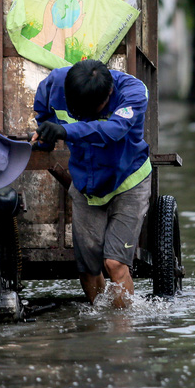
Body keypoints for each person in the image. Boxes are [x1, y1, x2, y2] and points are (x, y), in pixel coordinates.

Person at [31, 59, 151, 308]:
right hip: (86, 185)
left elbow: (113, 131)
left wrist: (65, 132)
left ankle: (122, 336)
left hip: (128, 181)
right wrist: (45, 136)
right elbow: (43, 111)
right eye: (78, 111)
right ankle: (100, 332)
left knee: (114, 263)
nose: (83, 117)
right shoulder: (55, 83)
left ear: (109, 94)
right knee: (88, 269)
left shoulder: (134, 92)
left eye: (92, 111)